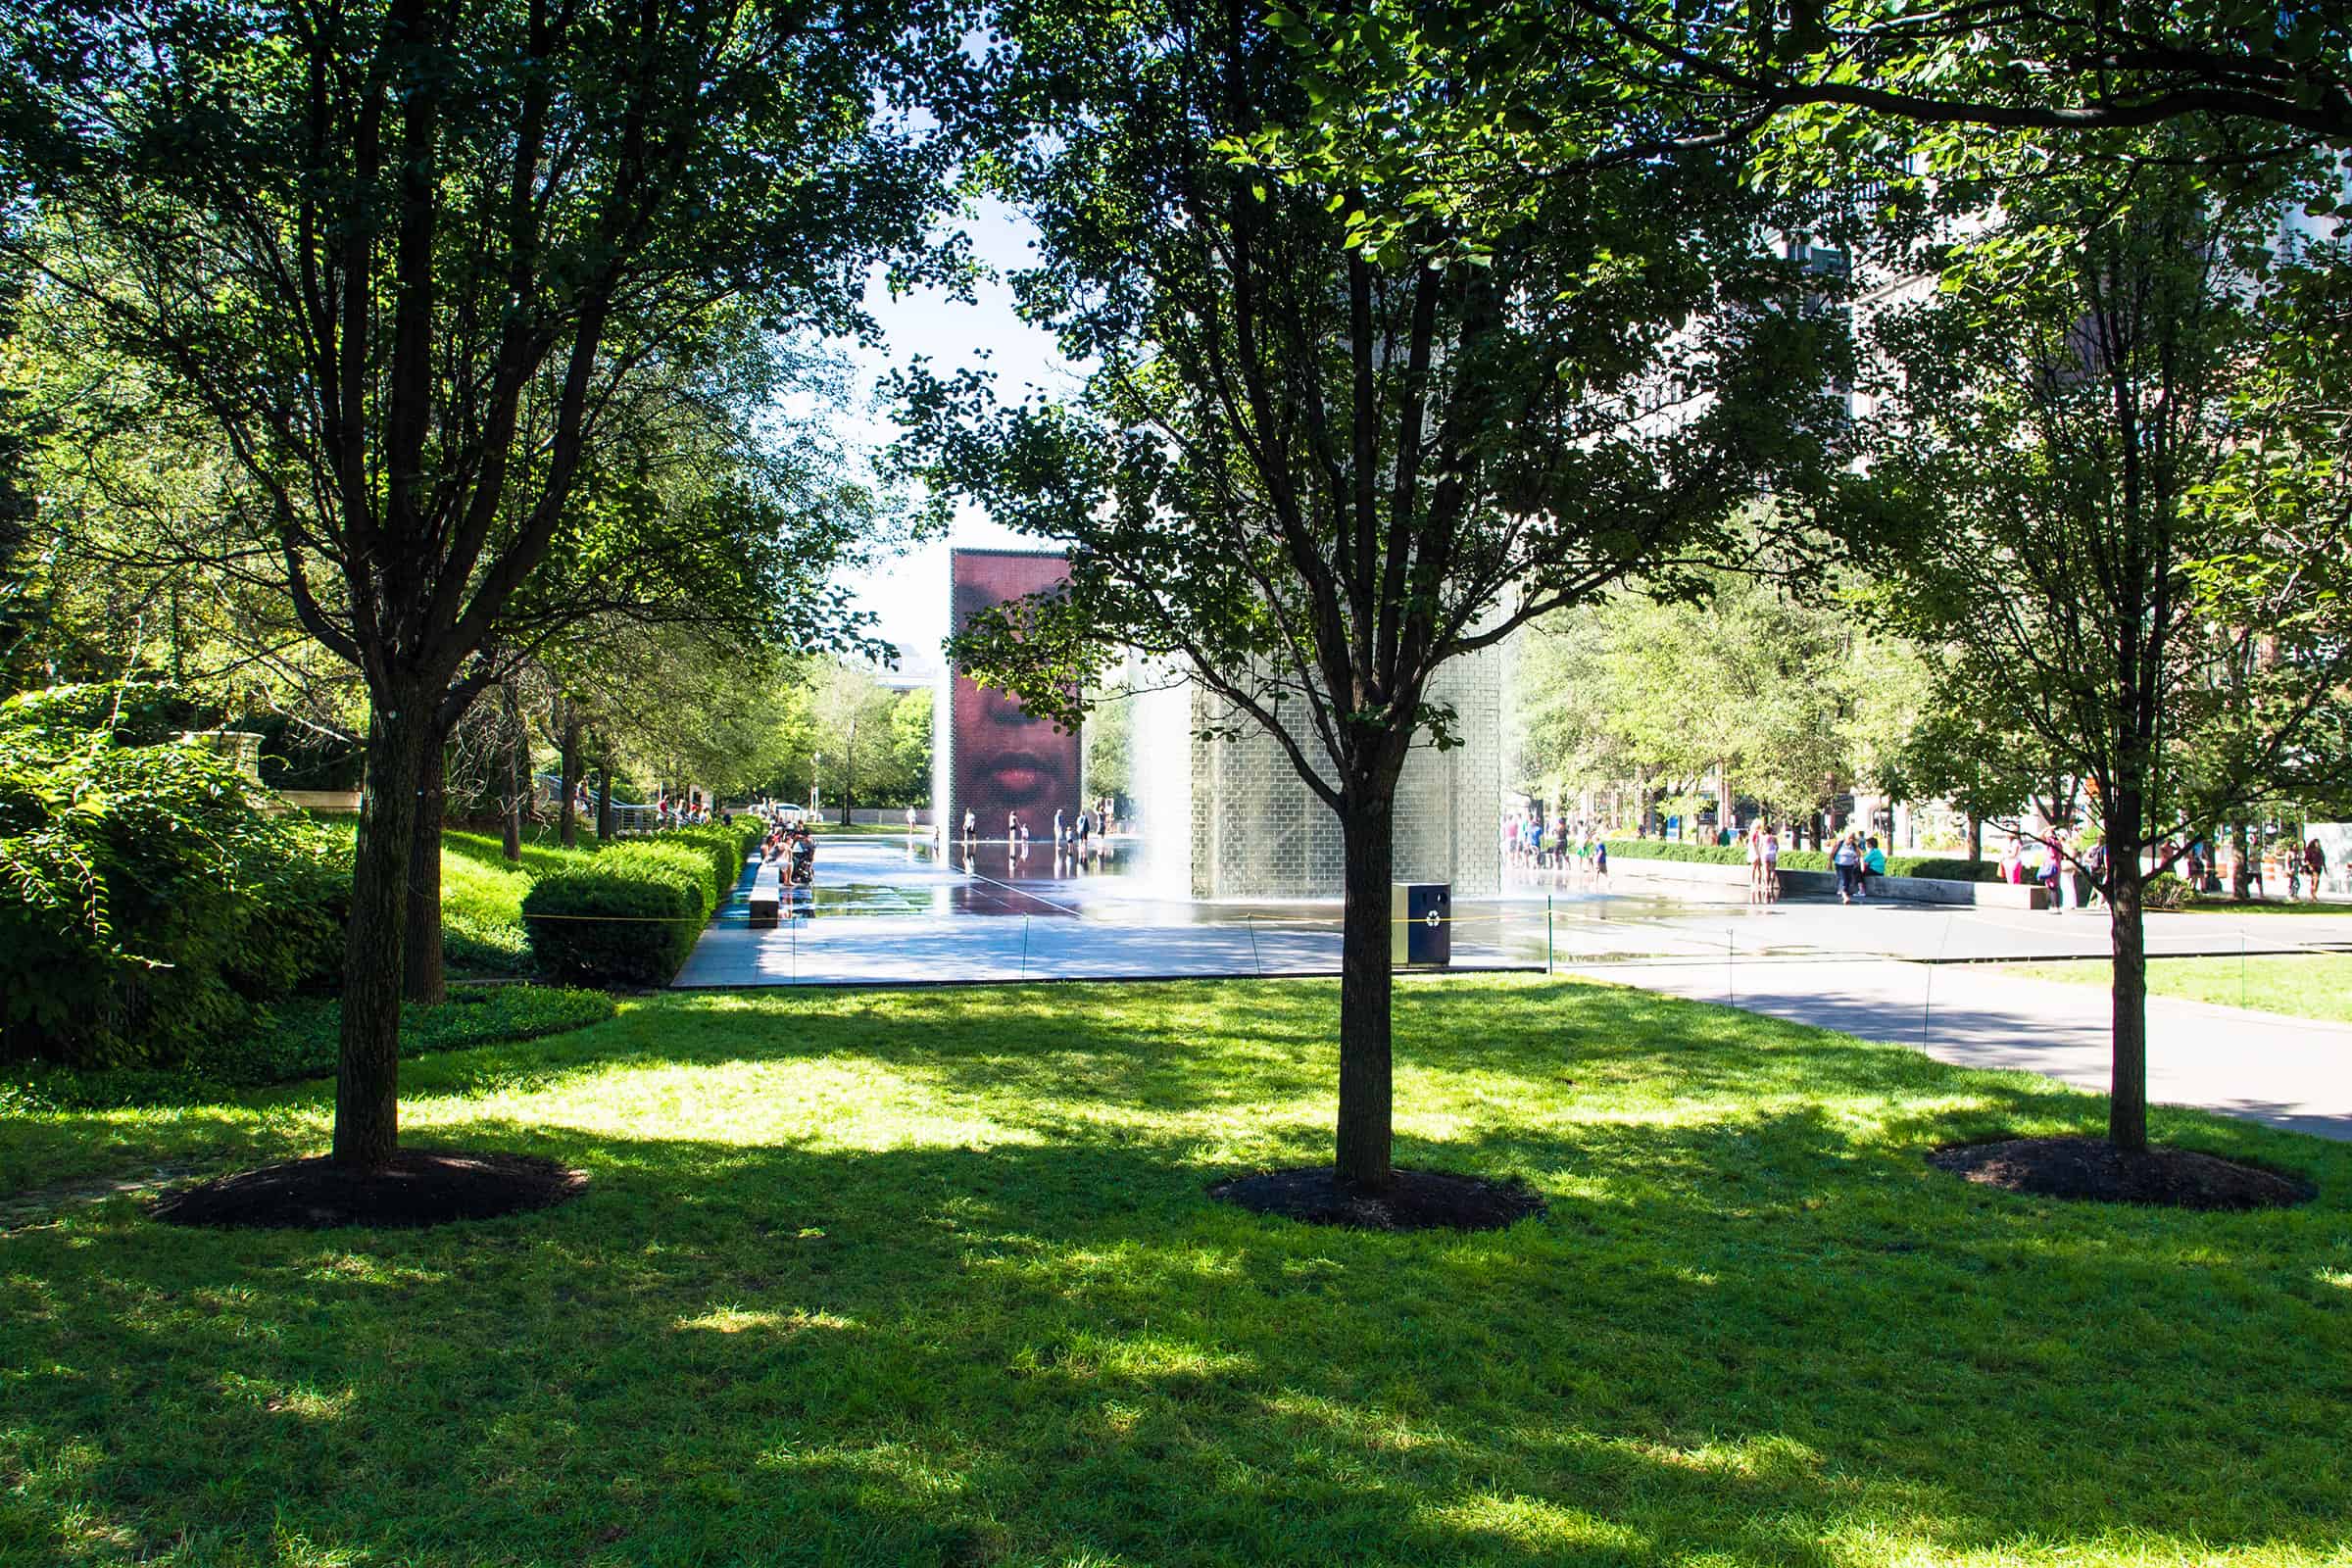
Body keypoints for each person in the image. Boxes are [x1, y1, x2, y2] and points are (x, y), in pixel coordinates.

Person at [1833, 832, 1863, 904]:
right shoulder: (1840, 844)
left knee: (1848, 880)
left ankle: (1844, 892)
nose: (1851, 840)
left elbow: (1860, 855)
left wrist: (1860, 864)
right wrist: (1829, 864)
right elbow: (1832, 853)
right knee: (1843, 879)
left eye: (1852, 838)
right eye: (1849, 838)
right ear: (1845, 838)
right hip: (1840, 865)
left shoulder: (1854, 846)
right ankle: (1845, 896)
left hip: (1850, 865)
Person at [2306, 837, 2328, 902]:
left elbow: (2323, 860)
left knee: (2315, 882)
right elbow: (2307, 859)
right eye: (2317, 843)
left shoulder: (2320, 851)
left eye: (2318, 843)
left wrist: (2325, 868)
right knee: (2316, 880)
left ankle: (2313, 895)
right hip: (2313, 867)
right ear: (2314, 843)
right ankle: (2313, 896)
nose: (2318, 844)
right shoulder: (2311, 851)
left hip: (2319, 867)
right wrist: (2309, 866)